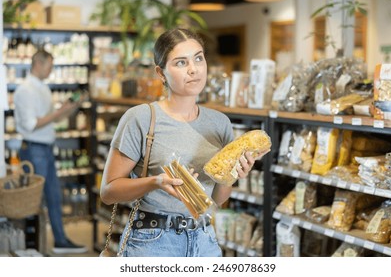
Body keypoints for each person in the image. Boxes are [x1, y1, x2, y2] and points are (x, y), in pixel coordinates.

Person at [100, 28, 264, 257]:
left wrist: (234, 175)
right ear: (161, 73)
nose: (193, 69)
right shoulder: (141, 118)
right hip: (153, 241)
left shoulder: (220, 123)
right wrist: (156, 181)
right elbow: (108, 192)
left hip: (204, 239)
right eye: (180, 63)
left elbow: (217, 199)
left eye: (198, 58)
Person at [13, 50, 87, 254]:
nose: (52, 70)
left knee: (54, 197)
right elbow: (30, 125)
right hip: (33, 149)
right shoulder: (25, 90)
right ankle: (33, 246)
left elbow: (53, 119)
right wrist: (59, 112)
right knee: (35, 200)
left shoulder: (42, 88)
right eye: (50, 65)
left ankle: (60, 240)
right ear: (38, 63)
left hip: (45, 148)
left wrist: (71, 108)